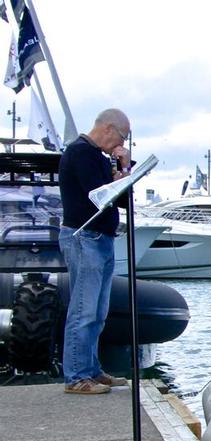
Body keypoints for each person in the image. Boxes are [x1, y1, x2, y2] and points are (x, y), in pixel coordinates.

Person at [58, 108, 132, 395]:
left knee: (98, 311)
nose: (120, 145)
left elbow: (123, 200)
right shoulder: (80, 152)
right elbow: (97, 195)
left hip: (100, 237)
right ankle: (76, 376)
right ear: (109, 129)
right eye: (121, 138)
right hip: (84, 236)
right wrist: (118, 173)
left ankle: (90, 368)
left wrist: (122, 170)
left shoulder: (98, 157)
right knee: (84, 309)